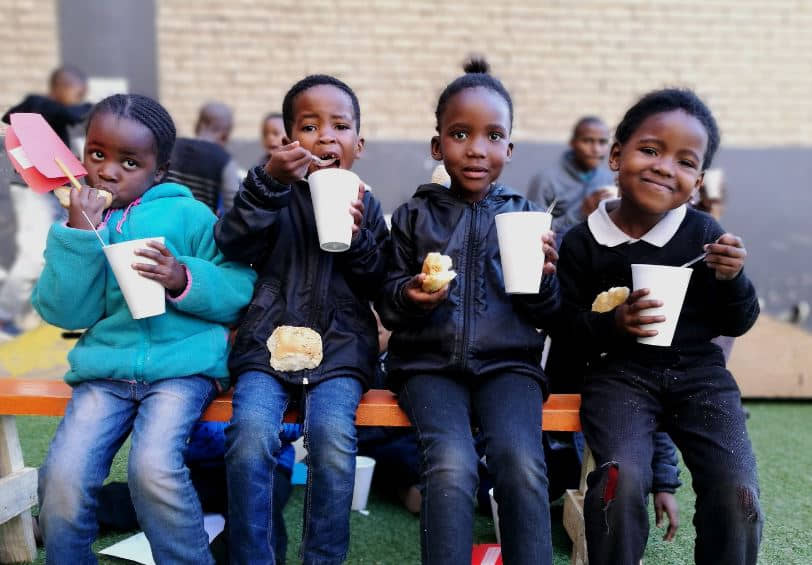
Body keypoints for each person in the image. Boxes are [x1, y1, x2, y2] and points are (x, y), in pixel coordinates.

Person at [32, 93, 257, 564]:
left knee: (153, 469)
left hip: (182, 368)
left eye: (129, 162)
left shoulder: (191, 216)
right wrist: (77, 236)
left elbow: (240, 288)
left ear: (159, 171)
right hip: (105, 372)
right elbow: (64, 312)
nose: (108, 171)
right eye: (97, 155)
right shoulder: (81, 222)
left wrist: (182, 277)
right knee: (62, 477)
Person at [553, 88, 762, 564]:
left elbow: (738, 321)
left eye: (685, 162)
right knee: (616, 482)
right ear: (615, 154)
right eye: (650, 150)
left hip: (700, 377)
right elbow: (564, 327)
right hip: (617, 375)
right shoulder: (583, 244)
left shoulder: (706, 235)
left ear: (699, 180)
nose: (665, 167)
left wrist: (733, 279)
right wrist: (612, 325)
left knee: (738, 491)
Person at [376, 58, 559, 565]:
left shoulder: (526, 216)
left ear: (509, 148)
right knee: (452, 464)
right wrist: (409, 295)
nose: (477, 149)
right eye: (460, 134)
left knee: (520, 460)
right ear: (437, 146)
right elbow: (388, 301)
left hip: (510, 366)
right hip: (427, 366)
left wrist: (545, 281)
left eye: (492, 136)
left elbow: (552, 310)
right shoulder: (414, 216)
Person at [215, 74, 388, 564]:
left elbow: (379, 281)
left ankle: (323, 559)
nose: (326, 136)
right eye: (310, 126)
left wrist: (359, 242)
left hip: (339, 349)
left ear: (359, 142)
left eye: (340, 126)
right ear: (290, 140)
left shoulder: (367, 205)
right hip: (267, 345)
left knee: (333, 440)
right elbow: (233, 241)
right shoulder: (269, 192)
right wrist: (268, 182)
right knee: (249, 436)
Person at [0, 65, 92, 339]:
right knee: (32, 257)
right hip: (32, 192)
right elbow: (70, 112)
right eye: (78, 93)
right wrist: (95, 105)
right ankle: (4, 316)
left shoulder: (48, 116)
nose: (79, 99)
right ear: (61, 88)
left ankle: (29, 313)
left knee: (49, 253)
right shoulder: (39, 104)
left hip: (47, 192)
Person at [356, 308, 421, 514]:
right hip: (363, 444)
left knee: (412, 452)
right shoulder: (354, 359)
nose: (375, 318)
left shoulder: (399, 360)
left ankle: (407, 488)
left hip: (398, 444)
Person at [526, 116, 615, 246]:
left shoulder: (608, 179)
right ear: (572, 143)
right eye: (588, 141)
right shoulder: (546, 180)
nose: (596, 149)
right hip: (557, 259)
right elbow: (534, 231)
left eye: (602, 142)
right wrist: (580, 213)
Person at [164, 101, 242, 214]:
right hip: (200, 229)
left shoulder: (171, 147)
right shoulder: (224, 160)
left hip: (164, 224)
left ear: (198, 124)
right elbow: (233, 208)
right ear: (225, 134)